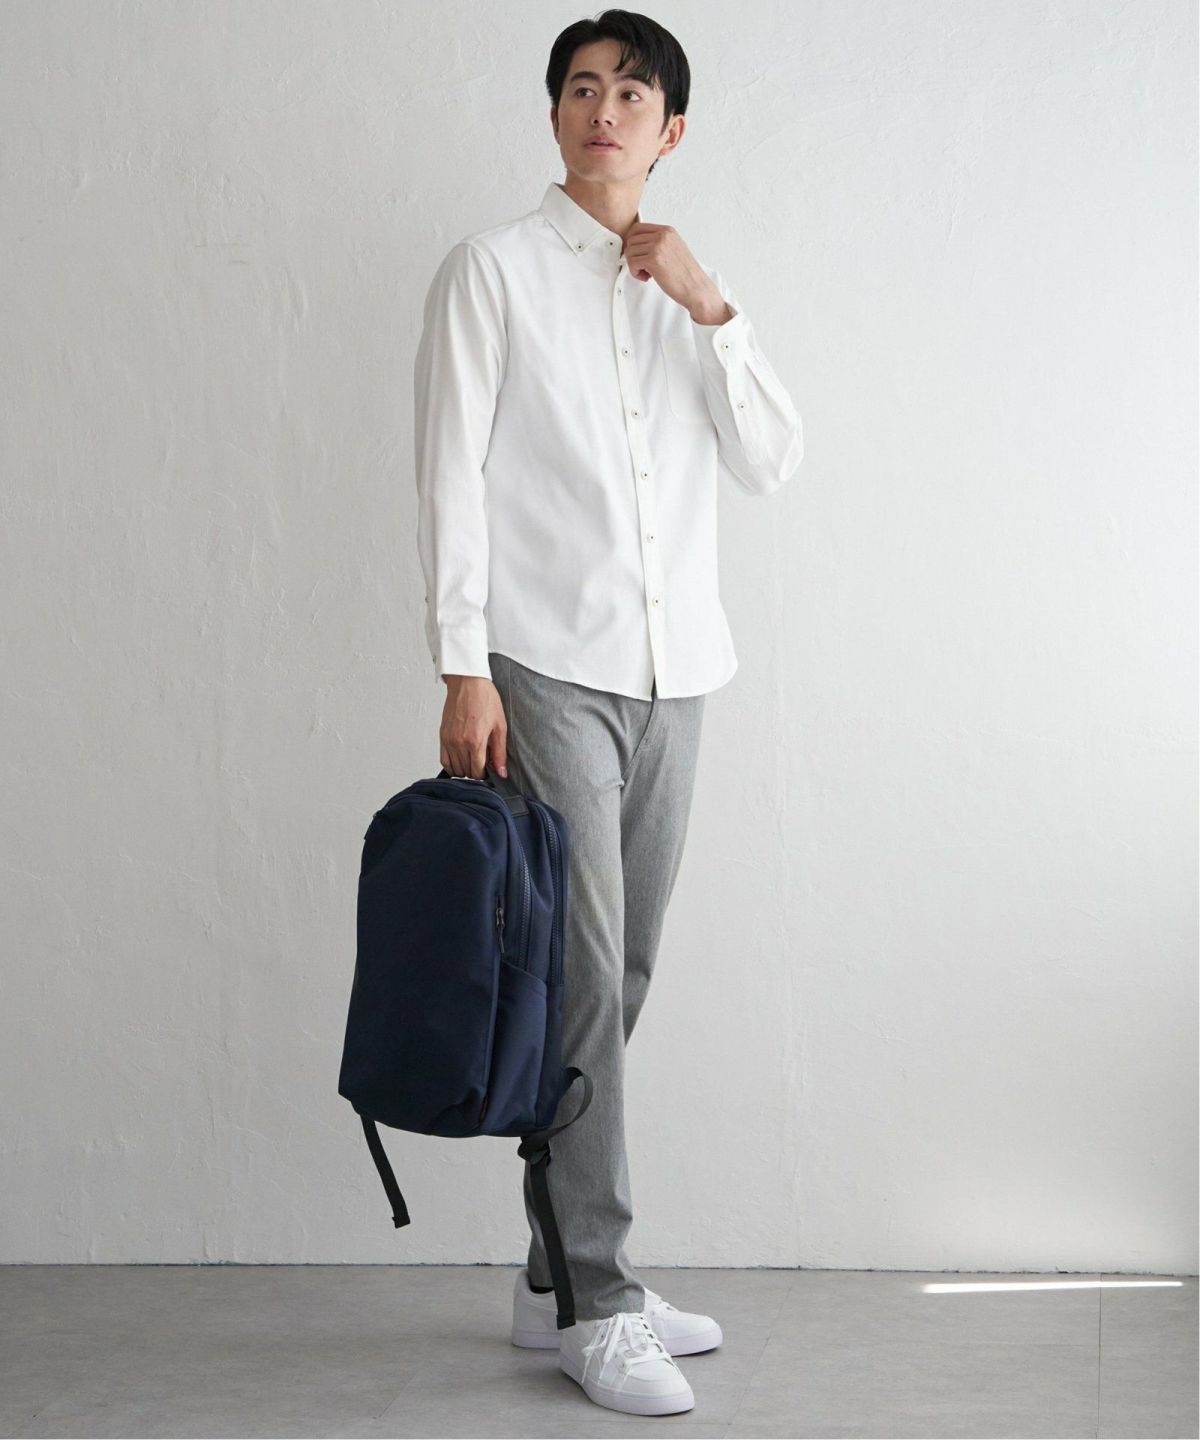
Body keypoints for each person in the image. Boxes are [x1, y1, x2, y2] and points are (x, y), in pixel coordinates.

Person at [413, 8, 803, 1417]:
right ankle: (601, 1295)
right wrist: (462, 664)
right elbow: (449, 473)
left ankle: (547, 1280)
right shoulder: (494, 270)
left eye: (632, 94)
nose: (604, 110)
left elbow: (772, 460)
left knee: (619, 975)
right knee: (578, 978)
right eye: (581, 88)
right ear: (554, 115)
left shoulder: (686, 292)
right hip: (544, 663)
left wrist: (711, 305)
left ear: (670, 129)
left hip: (679, 671)